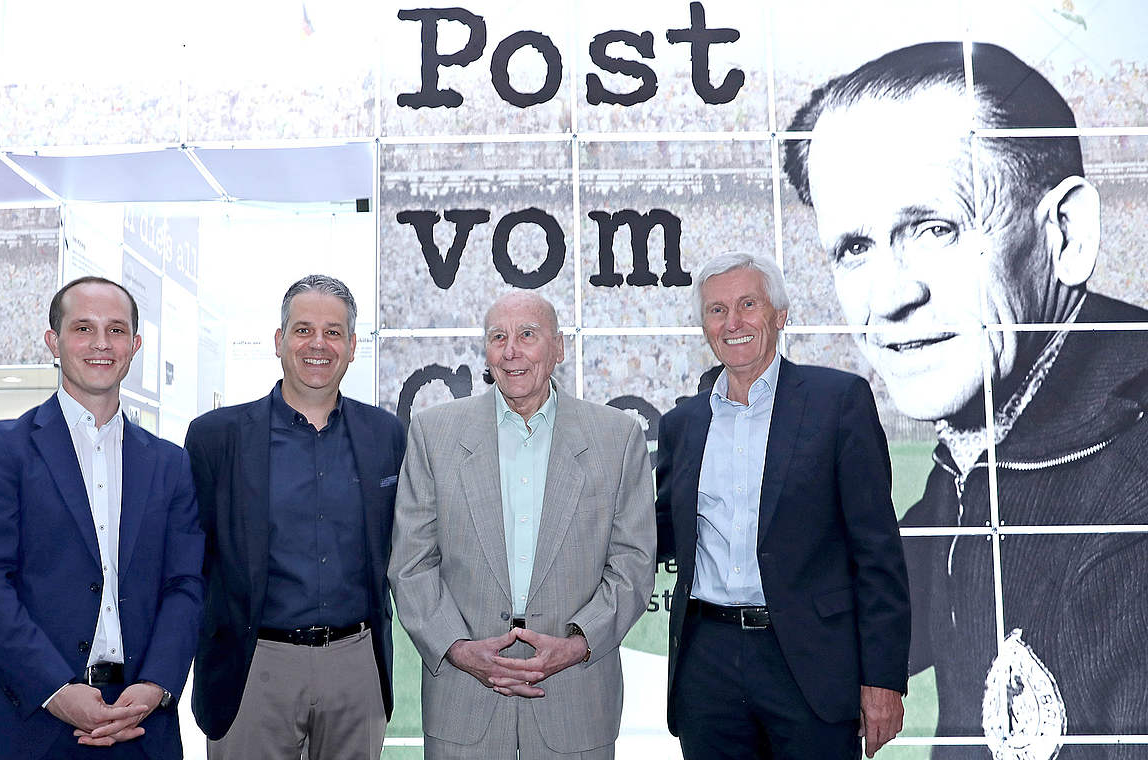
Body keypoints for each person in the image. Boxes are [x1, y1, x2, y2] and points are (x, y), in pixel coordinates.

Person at [783, 42, 1148, 755]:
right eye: (854, 248)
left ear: (1066, 235)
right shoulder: (994, 434)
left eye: (934, 229)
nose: (888, 298)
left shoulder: (1125, 495)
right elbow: (881, 617)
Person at [655, 252, 910, 759]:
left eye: (748, 304)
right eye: (717, 310)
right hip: (707, 665)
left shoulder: (839, 402)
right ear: (704, 325)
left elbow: (877, 550)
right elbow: (656, 533)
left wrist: (883, 677)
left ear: (780, 315)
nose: (733, 322)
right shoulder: (682, 424)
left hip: (809, 663)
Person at [0, 276, 204, 760]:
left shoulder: (170, 464)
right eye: (83, 328)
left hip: (138, 724)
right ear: (53, 342)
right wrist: (55, 690)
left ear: (135, 346)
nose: (101, 343)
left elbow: (185, 585)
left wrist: (155, 687)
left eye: (116, 330)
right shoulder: (4, 449)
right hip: (25, 719)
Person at [389, 290, 656, 759]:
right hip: (462, 697)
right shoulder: (434, 433)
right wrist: (458, 648)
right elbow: (412, 563)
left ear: (559, 349)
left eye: (527, 335)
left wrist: (577, 644)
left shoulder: (616, 438)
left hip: (574, 696)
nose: (511, 350)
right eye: (498, 337)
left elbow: (633, 564)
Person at [183, 274, 406, 759]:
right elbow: (192, 563)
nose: (317, 344)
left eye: (333, 332)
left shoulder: (386, 435)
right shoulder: (216, 437)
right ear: (279, 341)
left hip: (356, 665)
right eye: (303, 330)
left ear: (352, 347)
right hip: (252, 667)